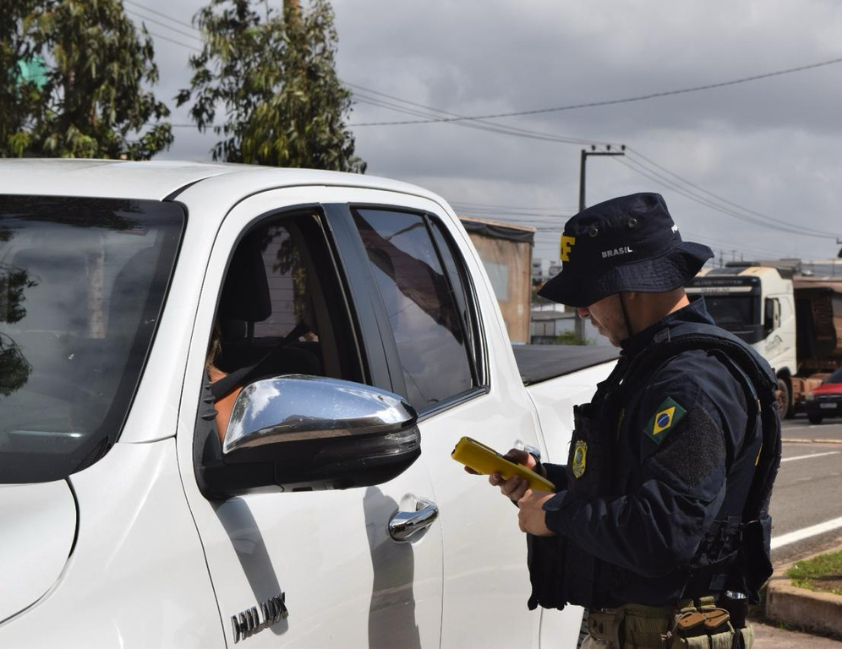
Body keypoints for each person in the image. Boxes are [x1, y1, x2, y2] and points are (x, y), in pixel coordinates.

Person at [489, 193, 780, 649]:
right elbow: (639, 487)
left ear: (632, 285)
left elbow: (664, 530)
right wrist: (550, 482)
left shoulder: (691, 383)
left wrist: (560, 514)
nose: (583, 312)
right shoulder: (655, 367)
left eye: (589, 295)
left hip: (665, 633)